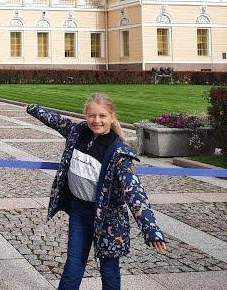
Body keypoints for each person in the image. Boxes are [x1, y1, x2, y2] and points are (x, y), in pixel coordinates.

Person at [26, 93, 167, 290]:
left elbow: (134, 192)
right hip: (79, 212)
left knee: (109, 270)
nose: (96, 120)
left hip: (109, 220)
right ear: (85, 116)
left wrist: (151, 229)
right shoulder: (78, 132)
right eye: (91, 115)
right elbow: (56, 121)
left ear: (111, 117)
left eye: (102, 116)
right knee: (73, 265)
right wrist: (33, 108)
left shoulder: (119, 152)